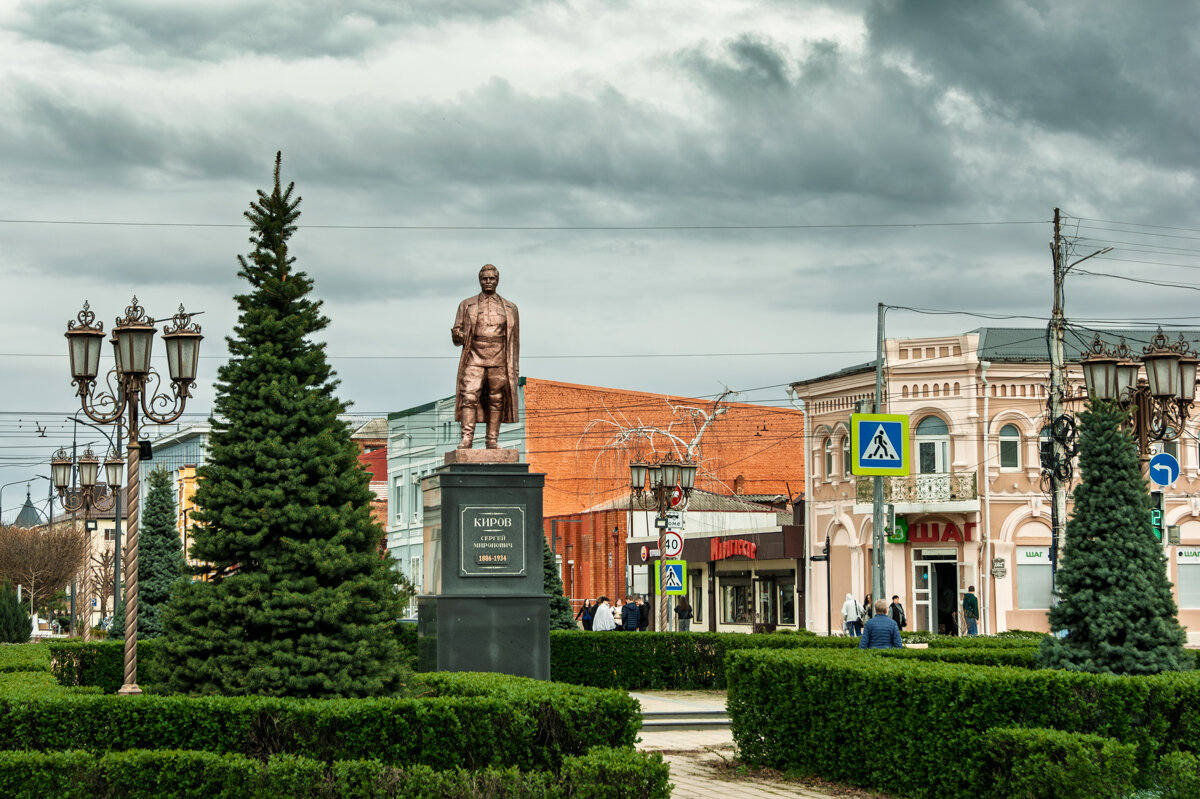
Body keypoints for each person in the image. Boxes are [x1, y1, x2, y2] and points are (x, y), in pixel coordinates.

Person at [451, 264, 519, 449]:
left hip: (499, 357)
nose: (488, 281)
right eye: (484, 279)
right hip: (474, 356)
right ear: (480, 281)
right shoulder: (466, 305)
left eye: (492, 278)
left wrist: (513, 368)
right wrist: (458, 335)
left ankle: (492, 440)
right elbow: (457, 336)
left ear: (497, 280)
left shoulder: (510, 307)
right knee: (469, 395)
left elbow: (514, 341)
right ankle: (467, 439)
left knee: (496, 399)